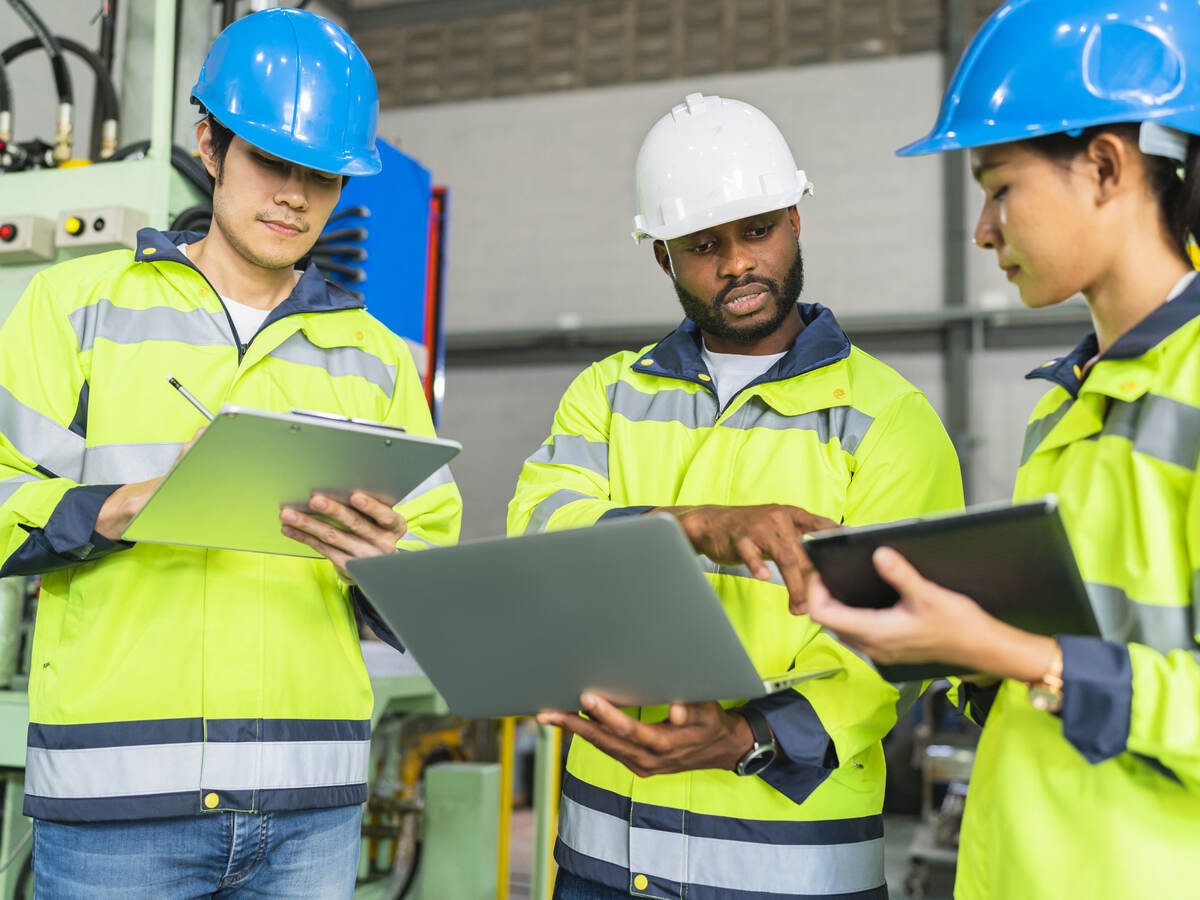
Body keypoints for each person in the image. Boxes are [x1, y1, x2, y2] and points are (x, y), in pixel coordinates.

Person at [0, 9, 460, 897]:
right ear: (208, 143)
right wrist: (113, 507)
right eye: (270, 162)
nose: (294, 195)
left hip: (310, 815)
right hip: (117, 804)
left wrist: (387, 566)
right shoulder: (75, 308)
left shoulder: (375, 357)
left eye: (320, 175)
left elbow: (433, 575)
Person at [510, 92, 963, 899]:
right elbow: (540, 533)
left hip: (791, 872)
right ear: (664, 258)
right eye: (702, 244)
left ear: (795, 220)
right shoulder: (606, 395)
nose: (737, 263)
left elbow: (899, 648)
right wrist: (689, 526)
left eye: (757, 230)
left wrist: (747, 737)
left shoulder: (888, 419)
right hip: (605, 865)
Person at [805, 2, 1200, 898]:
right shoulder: (1071, 399)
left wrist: (1022, 656)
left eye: (999, 187)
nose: (983, 230)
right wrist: (941, 647)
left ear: (1105, 166)